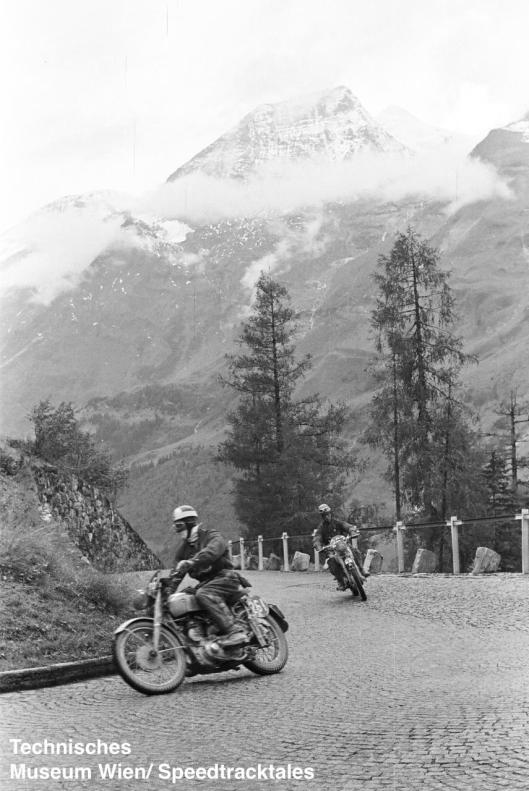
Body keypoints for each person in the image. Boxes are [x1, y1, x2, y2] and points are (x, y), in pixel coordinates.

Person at [170, 504, 247, 646]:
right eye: (175, 527)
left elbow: (213, 551)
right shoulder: (183, 550)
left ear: (189, 523)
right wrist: (162, 593)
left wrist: (192, 562)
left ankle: (234, 630)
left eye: (179, 526)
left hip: (225, 578)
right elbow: (175, 575)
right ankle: (198, 632)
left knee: (203, 594)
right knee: (180, 598)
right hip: (206, 584)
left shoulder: (211, 535)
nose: (177, 530)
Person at [313, 503, 366, 591]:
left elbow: (347, 526)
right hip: (331, 550)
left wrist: (352, 530)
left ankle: (361, 569)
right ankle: (341, 581)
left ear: (330, 513)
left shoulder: (337, 523)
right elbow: (317, 538)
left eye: (328, 514)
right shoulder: (321, 528)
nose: (327, 516)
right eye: (324, 515)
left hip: (343, 545)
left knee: (355, 551)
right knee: (331, 561)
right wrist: (318, 545)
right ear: (322, 517)